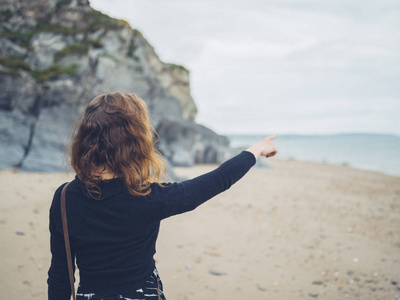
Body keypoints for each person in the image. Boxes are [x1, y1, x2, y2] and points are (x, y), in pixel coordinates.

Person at [47, 92, 278, 300]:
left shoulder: (65, 198)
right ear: (133, 142)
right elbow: (216, 181)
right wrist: (255, 150)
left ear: (86, 138)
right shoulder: (146, 197)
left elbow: (59, 275)